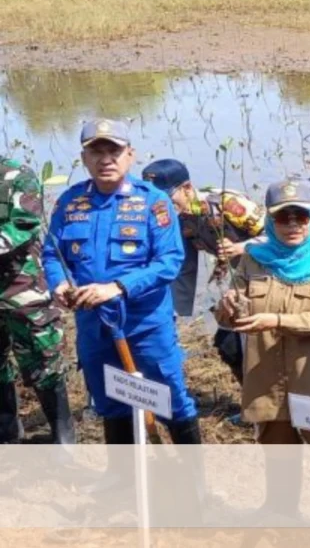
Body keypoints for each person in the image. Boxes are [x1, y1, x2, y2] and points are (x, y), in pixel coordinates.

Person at [42, 119, 200, 444]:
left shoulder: (153, 202)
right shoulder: (69, 203)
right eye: (96, 152)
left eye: (113, 150)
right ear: (84, 159)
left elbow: (169, 262)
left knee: (171, 398)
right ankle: (122, 479)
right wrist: (58, 283)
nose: (105, 159)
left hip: (145, 325)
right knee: (109, 400)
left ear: (130, 155)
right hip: (93, 324)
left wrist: (118, 287)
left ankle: (191, 486)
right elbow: (52, 253)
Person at [216, 178, 310, 445]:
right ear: (270, 220)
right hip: (267, 383)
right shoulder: (253, 258)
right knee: (280, 467)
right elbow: (230, 318)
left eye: (300, 216)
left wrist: (274, 321)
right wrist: (227, 305)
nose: (292, 225)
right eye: (282, 217)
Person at [143, 158, 265, 384]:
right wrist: (170, 314)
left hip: (272, 277)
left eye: (167, 198)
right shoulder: (177, 220)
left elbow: (282, 239)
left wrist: (241, 247)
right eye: (154, 200)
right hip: (242, 281)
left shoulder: (228, 204)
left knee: (263, 345)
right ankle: (252, 404)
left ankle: (276, 410)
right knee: (229, 344)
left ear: (187, 188)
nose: (161, 206)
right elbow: (181, 269)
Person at [0, 158, 74, 444]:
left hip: (21, 287)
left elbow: (23, 224)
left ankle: (63, 438)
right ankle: (8, 433)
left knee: (42, 357)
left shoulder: (18, 175)